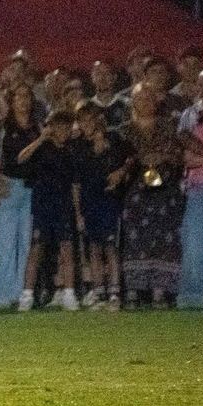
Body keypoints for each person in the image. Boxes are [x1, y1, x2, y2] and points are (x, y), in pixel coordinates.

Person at [119, 84, 184, 306]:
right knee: (135, 240)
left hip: (165, 191)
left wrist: (158, 158)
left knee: (165, 238)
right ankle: (134, 291)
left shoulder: (169, 126)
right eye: (140, 98)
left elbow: (176, 154)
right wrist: (145, 159)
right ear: (133, 102)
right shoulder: (125, 129)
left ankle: (160, 291)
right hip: (136, 192)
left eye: (150, 98)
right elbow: (122, 158)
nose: (146, 102)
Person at [16, 109, 81, 312]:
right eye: (59, 126)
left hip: (63, 207)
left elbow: (75, 185)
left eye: (66, 127)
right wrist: (39, 140)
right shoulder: (42, 148)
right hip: (43, 206)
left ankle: (69, 294)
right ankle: (26, 296)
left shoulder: (71, 152)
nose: (63, 130)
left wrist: (77, 213)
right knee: (36, 250)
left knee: (67, 250)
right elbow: (21, 159)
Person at [0, 84, 43, 308]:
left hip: (32, 187)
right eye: (19, 96)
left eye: (27, 96)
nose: (24, 101)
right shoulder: (3, 126)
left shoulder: (37, 127)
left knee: (27, 242)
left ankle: (22, 294)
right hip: (10, 187)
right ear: (11, 102)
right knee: (4, 243)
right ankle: (2, 297)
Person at [73, 102, 127, 310]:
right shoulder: (78, 146)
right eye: (82, 120)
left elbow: (130, 158)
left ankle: (114, 293)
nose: (86, 124)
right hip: (89, 202)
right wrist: (78, 212)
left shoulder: (113, 139)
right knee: (94, 248)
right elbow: (75, 183)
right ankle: (98, 293)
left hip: (109, 201)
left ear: (98, 120)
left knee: (111, 247)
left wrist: (121, 172)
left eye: (90, 119)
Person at [178, 69, 203, 309]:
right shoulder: (196, 132)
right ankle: (193, 297)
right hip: (200, 189)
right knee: (195, 243)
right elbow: (188, 159)